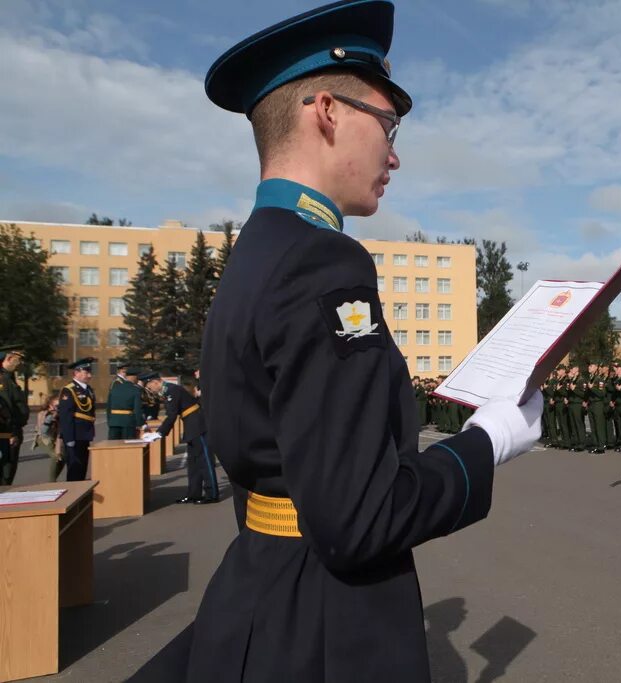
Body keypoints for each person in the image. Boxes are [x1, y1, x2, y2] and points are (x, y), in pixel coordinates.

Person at [188, 2, 542, 679]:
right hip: (326, 627)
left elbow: (274, 467)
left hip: (266, 594)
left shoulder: (257, 252)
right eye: (388, 123)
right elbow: (357, 515)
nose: (396, 153)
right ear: (327, 111)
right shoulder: (321, 263)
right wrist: (487, 443)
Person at [145, 372, 219, 504]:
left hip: (198, 424)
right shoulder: (168, 391)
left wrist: (159, 433)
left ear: (156, 382)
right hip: (191, 424)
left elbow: (172, 414)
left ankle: (212, 493)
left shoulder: (172, 390)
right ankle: (194, 494)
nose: (151, 390)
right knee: (193, 463)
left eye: (150, 387)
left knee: (204, 461)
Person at [57, 357, 97, 482]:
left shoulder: (88, 389)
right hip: (75, 434)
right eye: (86, 372)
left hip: (85, 434)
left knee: (82, 468)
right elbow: (65, 416)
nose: (89, 375)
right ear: (77, 373)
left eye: (90, 372)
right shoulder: (69, 390)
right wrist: (69, 438)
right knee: (75, 470)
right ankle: (72, 495)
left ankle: (80, 495)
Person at [0, 346, 30, 485]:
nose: (20, 364)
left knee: (9, 472)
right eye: (18, 360)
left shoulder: (9, 378)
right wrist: (11, 433)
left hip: (12, 432)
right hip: (7, 434)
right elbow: (5, 409)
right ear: (9, 358)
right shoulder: (3, 380)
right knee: (6, 473)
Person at [107, 362, 145, 439]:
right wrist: (139, 424)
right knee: (127, 446)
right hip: (128, 423)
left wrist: (110, 421)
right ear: (134, 377)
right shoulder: (135, 390)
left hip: (114, 422)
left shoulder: (115, 388)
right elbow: (137, 409)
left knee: (113, 446)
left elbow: (108, 407)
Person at [34, 392, 64, 482]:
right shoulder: (42, 414)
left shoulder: (61, 415)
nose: (57, 408)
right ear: (50, 405)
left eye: (59, 406)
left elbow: (59, 434)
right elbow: (43, 431)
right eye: (56, 405)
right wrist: (51, 417)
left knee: (61, 457)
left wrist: (58, 450)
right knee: (55, 457)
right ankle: (52, 482)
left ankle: (53, 479)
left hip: (55, 438)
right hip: (43, 439)